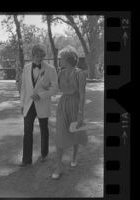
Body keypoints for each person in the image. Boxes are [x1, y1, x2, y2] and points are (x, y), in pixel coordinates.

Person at [51, 45, 88, 179]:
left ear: (68, 59)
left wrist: (80, 113)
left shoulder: (80, 74)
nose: (60, 60)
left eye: (61, 58)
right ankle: (59, 166)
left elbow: (83, 95)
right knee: (60, 134)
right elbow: (59, 89)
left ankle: (74, 157)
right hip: (63, 104)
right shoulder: (60, 73)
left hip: (75, 105)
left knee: (75, 132)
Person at [20, 44, 58, 167]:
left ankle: (44, 154)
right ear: (32, 55)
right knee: (27, 131)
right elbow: (24, 88)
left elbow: (55, 88)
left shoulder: (50, 69)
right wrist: (22, 104)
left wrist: (41, 95)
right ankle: (26, 160)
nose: (39, 58)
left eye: (41, 56)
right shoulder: (26, 68)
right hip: (28, 104)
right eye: (37, 56)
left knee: (44, 130)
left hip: (43, 103)